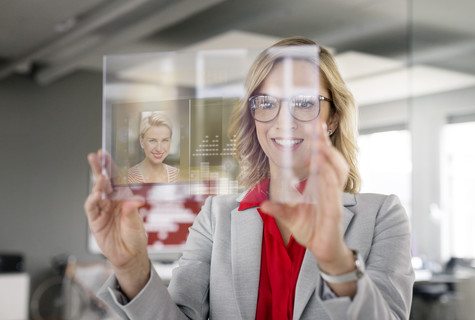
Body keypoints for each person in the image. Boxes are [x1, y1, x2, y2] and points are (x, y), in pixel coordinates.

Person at [85, 37, 414, 319]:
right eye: (267, 103)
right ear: (254, 117)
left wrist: (337, 262)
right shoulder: (216, 217)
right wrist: (131, 267)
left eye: (303, 102)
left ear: (333, 118)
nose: (284, 119)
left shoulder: (381, 216)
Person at [127, 112, 179, 184]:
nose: (159, 149)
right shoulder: (129, 177)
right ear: (142, 141)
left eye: (165, 140)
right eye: (152, 141)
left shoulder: (177, 175)